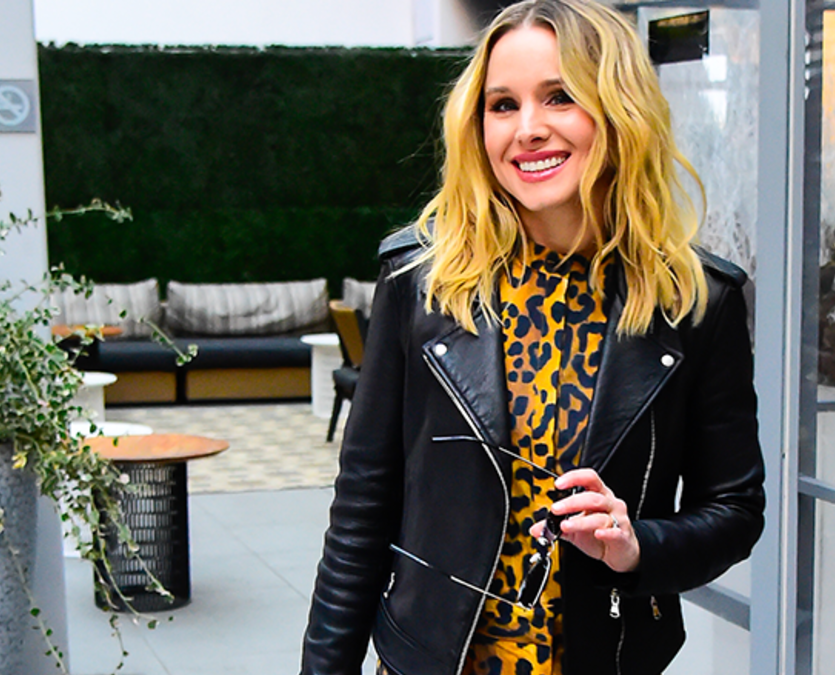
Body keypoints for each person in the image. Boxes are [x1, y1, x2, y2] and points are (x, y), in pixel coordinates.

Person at [300, 0, 764, 672]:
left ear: (620, 109)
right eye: (503, 105)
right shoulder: (423, 283)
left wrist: (636, 545)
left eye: (560, 97)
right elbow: (361, 511)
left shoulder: (695, 302)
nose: (528, 129)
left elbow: (735, 508)